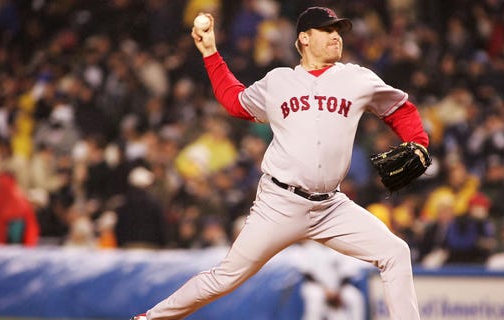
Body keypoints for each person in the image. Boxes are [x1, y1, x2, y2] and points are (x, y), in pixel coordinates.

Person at [131, 7, 429, 320]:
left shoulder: (356, 78)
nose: (336, 37)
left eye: (338, 31)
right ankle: (151, 318)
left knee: (396, 252)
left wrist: (419, 141)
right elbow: (236, 101)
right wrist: (210, 53)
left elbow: (399, 109)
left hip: (332, 207)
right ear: (304, 38)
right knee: (226, 277)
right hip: (280, 202)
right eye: (327, 30)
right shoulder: (278, 82)